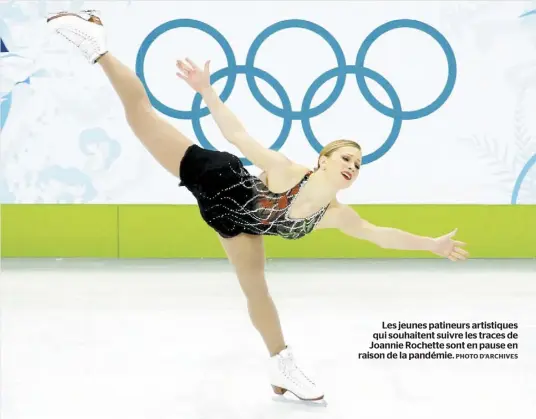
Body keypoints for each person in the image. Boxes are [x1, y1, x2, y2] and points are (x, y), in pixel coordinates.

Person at [46, 10, 468, 402]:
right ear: (323, 159)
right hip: (219, 178)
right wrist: (207, 91)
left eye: (357, 164)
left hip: (235, 223)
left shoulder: (337, 215)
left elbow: (382, 236)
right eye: (345, 158)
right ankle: (96, 44)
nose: (352, 167)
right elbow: (238, 136)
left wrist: (431, 244)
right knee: (141, 116)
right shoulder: (286, 171)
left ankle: (281, 366)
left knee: (256, 290)